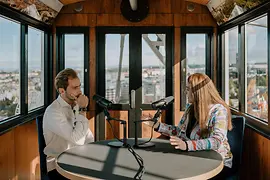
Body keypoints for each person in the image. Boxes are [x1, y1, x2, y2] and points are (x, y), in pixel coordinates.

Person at [143, 73, 233, 179]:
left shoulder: (218, 111)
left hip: (217, 164)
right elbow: (179, 131)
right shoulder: (190, 108)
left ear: (197, 92)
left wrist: (186, 145)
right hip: (196, 157)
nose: (186, 92)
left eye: (188, 89)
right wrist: (157, 125)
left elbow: (216, 141)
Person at [43, 68, 94, 180]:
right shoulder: (53, 111)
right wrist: (82, 109)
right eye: (75, 88)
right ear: (62, 91)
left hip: (79, 160)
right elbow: (78, 139)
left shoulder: (75, 106)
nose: (80, 91)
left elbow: (88, 137)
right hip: (58, 166)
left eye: (80, 86)